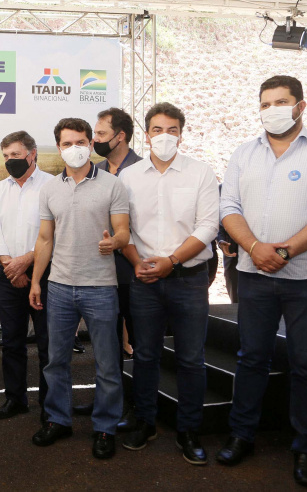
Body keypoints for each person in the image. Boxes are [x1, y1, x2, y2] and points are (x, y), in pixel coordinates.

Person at [217, 75, 307, 487]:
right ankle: (241, 435)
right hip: (254, 275)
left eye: (281, 102)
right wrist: (255, 246)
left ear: (300, 106)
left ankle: (306, 447)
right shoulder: (244, 153)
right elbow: (228, 205)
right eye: (265, 103)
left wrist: (284, 251)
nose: (272, 110)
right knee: (251, 359)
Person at [117, 103, 219, 465]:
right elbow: (121, 228)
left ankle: (189, 430)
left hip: (188, 279)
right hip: (143, 279)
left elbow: (207, 227)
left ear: (181, 133)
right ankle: (145, 422)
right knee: (144, 355)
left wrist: (171, 261)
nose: (164, 136)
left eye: (172, 129)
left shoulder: (201, 173)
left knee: (192, 358)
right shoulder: (129, 177)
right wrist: (138, 264)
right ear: (146, 134)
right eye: (157, 129)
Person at [29, 117, 129, 460]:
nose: (75, 148)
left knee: (107, 363)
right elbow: (44, 239)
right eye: (68, 143)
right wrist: (36, 281)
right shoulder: (50, 189)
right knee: (55, 361)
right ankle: (58, 419)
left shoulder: (113, 185)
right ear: (58, 148)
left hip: (100, 287)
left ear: (90, 143)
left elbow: (124, 232)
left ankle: (105, 427)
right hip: (58, 286)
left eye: (81, 141)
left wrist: (113, 242)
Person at [76, 107, 142, 427]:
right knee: (105, 345)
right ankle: (106, 401)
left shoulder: (144, 172)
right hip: (100, 274)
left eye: (100, 135)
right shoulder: (95, 172)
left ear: (121, 136)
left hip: (135, 272)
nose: (95, 140)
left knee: (140, 345)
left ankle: (137, 406)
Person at [0, 131, 53, 422]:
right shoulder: (0, 190)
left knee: (48, 344)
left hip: (46, 276)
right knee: (12, 342)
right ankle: (16, 399)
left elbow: (55, 232)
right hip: (9, 276)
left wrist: (27, 262)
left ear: (32, 153)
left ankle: (51, 404)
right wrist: (11, 266)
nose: (10, 160)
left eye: (15, 154)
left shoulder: (52, 185)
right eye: (6, 156)